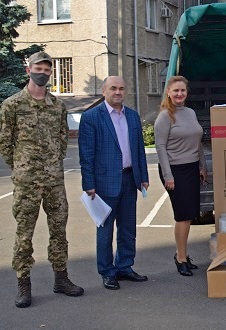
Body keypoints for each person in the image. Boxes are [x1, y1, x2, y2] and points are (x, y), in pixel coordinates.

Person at [0, 51, 84, 308]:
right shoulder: (12, 105)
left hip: (54, 181)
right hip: (26, 182)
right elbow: (5, 142)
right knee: (24, 233)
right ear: (29, 70)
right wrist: (21, 167)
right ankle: (23, 284)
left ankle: (61, 278)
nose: (43, 73)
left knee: (59, 230)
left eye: (48, 70)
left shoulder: (58, 106)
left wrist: (52, 164)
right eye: (39, 68)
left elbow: (62, 139)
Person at [79, 76, 150, 290]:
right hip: (103, 183)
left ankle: (125, 267)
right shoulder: (91, 117)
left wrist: (143, 176)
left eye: (121, 88)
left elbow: (139, 150)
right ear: (104, 91)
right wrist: (88, 183)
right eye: (113, 88)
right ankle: (107, 272)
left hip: (130, 179)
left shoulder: (133, 116)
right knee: (106, 230)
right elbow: (86, 154)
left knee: (128, 229)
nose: (118, 92)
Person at [154, 76, 207, 276]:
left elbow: (197, 141)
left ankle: (182, 254)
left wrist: (202, 166)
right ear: (168, 92)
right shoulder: (165, 116)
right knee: (183, 216)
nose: (179, 94)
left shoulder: (190, 113)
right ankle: (180, 258)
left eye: (182, 91)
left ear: (186, 92)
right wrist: (168, 175)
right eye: (175, 90)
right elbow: (160, 147)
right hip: (174, 170)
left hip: (192, 168)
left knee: (190, 214)